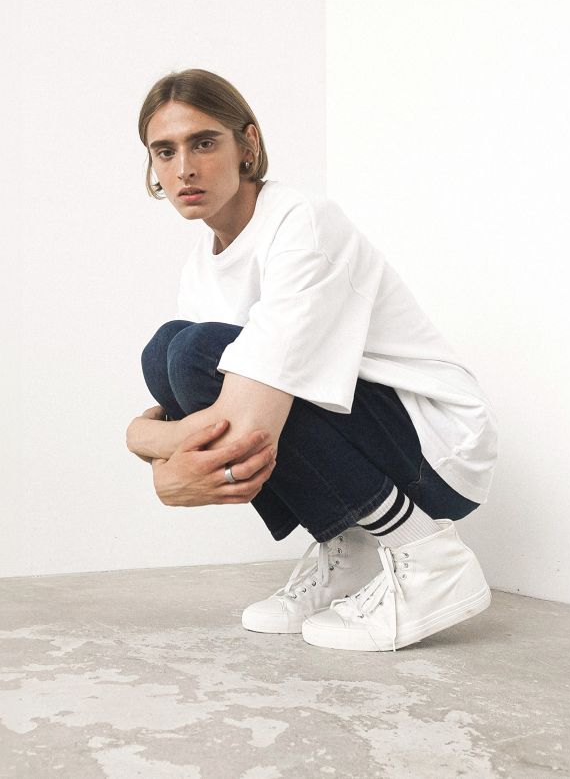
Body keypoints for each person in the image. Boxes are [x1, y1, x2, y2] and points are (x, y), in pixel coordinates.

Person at [126, 68, 498, 653]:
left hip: (436, 449)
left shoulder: (302, 223)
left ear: (247, 144)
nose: (184, 169)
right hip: (369, 433)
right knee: (167, 350)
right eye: (165, 151)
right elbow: (206, 417)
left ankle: (431, 559)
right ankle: (351, 549)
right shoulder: (202, 264)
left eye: (204, 143)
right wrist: (151, 446)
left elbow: (244, 425)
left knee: (196, 353)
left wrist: (154, 447)